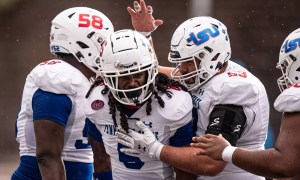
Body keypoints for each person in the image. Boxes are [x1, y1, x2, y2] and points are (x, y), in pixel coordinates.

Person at [117, 1, 270, 179]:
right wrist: (144, 36)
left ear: (212, 56)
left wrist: (154, 148)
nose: (181, 68)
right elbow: (154, 73)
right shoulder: (208, 74)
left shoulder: (235, 90)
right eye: (180, 61)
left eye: (188, 61)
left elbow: (211, 162)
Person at [12, 7, 114, 180]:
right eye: (103, 43)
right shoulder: (58, 77)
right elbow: (47, 155)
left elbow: (101, 157)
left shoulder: (86, 82)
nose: (107, 50)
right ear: (83, 43)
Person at [84, 29, 197, 180]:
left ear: (151, 71)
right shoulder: (97, 101)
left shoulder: (173, 102)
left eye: (138, 74)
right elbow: (100, 159)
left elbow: (186, 170)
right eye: (123, 77)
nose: (132, 83)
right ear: (108, 78)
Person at [191, 28, 300, 180]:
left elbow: (284, 164)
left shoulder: (296, 97)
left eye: (287, 66)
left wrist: (227, 151)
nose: (284, 75)